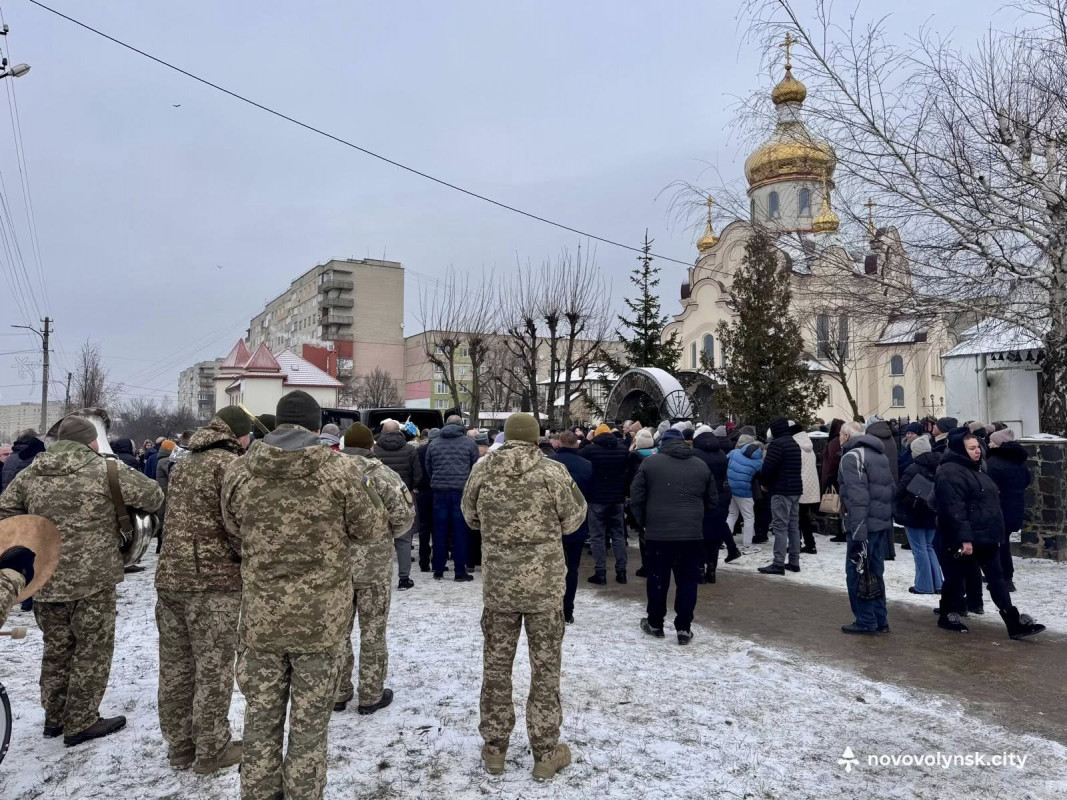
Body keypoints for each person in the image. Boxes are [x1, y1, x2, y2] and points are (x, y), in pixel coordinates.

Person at [221, 390, 386, 800]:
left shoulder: (240, 472)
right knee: (310, 725)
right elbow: (369, 529)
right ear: (317, 427)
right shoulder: (342, 472)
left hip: (262, 617)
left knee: (260, 719)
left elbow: (234, 530)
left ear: (276, 424)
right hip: (321, 619)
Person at [0, 415, 163, 745]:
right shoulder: (106, 470)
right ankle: (82, 720)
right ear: (91, 442)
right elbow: (154, 496)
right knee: (92, 649)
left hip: (45, 578)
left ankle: (54, 717)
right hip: (93, 579)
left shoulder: (30, 474)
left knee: (56, 649)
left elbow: (5, 514)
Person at [461, 413, 585, 782]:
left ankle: (495, 748)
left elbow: (470, 516)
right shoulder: (553, 472)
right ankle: (546, 752)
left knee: (496, 669)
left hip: (500, 587)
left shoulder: (482, 471)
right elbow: (575, 518)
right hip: (544, 589)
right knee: (545, 672)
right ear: (535, 439)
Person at [155, 407, 251, 773]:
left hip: (170, 578)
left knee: (177, 666)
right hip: (212, 584)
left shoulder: (184, 462)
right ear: (239, 435)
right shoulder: (229, 466)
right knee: (213, 667)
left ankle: (180, 746)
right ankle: (212, 749)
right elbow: (238, 527)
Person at [934, 430, 1044, 640]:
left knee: (997, 579)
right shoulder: (949, 471)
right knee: (955, 578)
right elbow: (954, 508)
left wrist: (997, 531)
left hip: (987, 535)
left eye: (978, 447)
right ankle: (947, 614)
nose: (977, 451)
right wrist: (964, 538)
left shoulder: (979, 468)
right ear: (960, 450)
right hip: (965, 537)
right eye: (971, 448)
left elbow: (989, 502)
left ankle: (1013, 622)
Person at [336, 423, 415, 715]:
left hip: (335, 568)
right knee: (373, 631)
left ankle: (338, 691)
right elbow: (403, 519)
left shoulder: (328, 473)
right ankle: (370, 693)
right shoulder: (382, 475)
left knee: (336, 633)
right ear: (371, 446)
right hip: (373, 567)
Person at [630, 429, 715, 645]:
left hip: (659, 533)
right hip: (691, 534)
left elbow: (637, 497)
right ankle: (684, 627)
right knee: (688, 581)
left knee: (658, 578)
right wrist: (696, 519)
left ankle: (655, 623)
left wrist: (644, 522)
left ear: (662, 443)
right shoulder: (700, 465)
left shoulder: (650, 464)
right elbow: (712, 500)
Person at [837, 421, 894, 635]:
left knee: (858, 572)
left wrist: (858, 531)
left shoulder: (852, 457)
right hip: (879, 523)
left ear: (845, 435)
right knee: (875, 572)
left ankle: (866, 620)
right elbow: (889, 488)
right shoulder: (878, 454)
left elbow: (858, 498)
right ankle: (880, 619)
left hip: (864, 525)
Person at [425, 415, 479, 582]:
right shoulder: (469, 443)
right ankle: (459, 571)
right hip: (461, 492)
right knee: (460, 532)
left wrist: (437, 480)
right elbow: (474, 466)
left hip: (439, 492)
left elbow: (429, 466)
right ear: (461, 425)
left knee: (439, 531)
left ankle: (438, 569)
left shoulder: (434, 443)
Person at [373, 419, 423, 591]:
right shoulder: (410, 450)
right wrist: (411, 488)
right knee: (403, 538)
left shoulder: (375, 450)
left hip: (378, 498)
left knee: (379, 538)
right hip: (403, 496)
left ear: (383, 432)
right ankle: (404, 578)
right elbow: (418, 474)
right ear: (399, 431)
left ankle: (380, 577)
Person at [548, 430, 592, 624]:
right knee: (572, 568)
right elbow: (589, 493)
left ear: (559, 443)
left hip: (551, 522)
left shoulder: (549, 464)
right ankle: (568, 609)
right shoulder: (586, 465)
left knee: (549, 568)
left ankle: (551, 607)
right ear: (576, 443)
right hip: (577, 521)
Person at [579, 422, 631, 584]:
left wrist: (586, 441)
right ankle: (621, 571)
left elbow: (579, 458)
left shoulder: (590, 450)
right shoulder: (622, 450)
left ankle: (600, 572)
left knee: (597, 536)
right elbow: (627, 472)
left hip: (596, 498)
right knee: (618, 535)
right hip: (617, 498)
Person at [894, 435, 942, 595]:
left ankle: (924, 585)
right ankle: (937, 583)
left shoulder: (913, 468)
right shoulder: (940, 465)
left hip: (913, 512)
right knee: (929, 547)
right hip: (932, 511)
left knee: (919, 549)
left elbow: (900, 490)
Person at [985, 428, 1031, 594]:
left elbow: (988, 487)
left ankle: (1004, 578)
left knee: (999, 545)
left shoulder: (993, 463)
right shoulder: (1019, 462)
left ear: (998, 445)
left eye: (991, 441)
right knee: (1003, 544)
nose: (988, 444)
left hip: (999, 509)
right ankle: (1003, 576)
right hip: (1015, 508)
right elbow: (1027, 481)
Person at [692, 425, 740, 582]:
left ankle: (699, 570)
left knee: (700, 536)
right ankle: (711, 570)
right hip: (722, 498)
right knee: (714, 536)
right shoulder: (721, 454)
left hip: (703, 499)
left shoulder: (695, 455)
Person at [757, 418, 804, 575]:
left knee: (780, 527)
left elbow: (768, 468)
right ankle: (794, 561)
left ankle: (778, 563)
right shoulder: (794, 443)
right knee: (793, 527)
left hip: (781, 490)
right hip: (795, 490)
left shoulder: (777, 445)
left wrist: (764, 483)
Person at [626, 428, 657, 577]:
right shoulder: (659, 456)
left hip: (642, 502)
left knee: (643, 534)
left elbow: (632, 484)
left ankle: (646, 565)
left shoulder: (633, 459)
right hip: (657, 500)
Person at [726, 434, 763, 553]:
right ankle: (747, 544)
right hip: (745, 491)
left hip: (731, 488)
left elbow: (724, 462)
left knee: (732, 514)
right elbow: (760, 477)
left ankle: (724, 541)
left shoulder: (734, 453)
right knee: (749, 517)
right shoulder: (759, 461)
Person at [793, 425, 821, 555]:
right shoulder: (809, 447)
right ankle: (810, 544)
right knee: (804, 517)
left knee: (796, 518)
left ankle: (797, 544)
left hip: (799, 487)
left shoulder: (796, 447)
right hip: (811, 487)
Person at [415, 429, 438, 572]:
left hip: (423, 491)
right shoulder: (442, 449)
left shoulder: (419, 450)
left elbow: (417, 470)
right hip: (438, 490)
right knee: (438, 528)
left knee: (424, 528)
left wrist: (416, 485)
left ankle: (423, 561)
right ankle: (437, 559)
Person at [821, 419, 846, 542]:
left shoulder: (834, 442)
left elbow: (831, 462)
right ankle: (842, 531)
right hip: (841, 477)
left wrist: (827, 479)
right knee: (841, 507)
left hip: (834, 477)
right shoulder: (842, 441)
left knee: (839, 507)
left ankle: (842, 532)